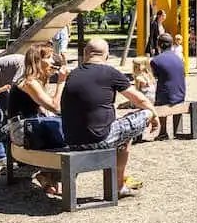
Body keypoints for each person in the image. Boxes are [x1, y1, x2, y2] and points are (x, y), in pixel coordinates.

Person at [60, 39, 156, 197]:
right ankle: (118, 186)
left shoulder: (74, 74)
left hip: (72, 140)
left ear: (85, 54)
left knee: (123, 135)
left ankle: (118, 182)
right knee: (144, 114)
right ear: (107, 55)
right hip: (99, 139)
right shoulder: (110, 72)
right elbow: (141, 100)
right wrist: (155, 116)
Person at [9, 45, 68, 193]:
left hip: (28, 126)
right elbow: (55, 106)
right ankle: (48, 175)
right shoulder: (29, 82)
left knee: (66, 133)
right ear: (37, 61)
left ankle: (47, 175)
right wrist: (61, 81)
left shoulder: (35, 80)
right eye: (48, 57)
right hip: (22, 130)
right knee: (69, 140)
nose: (52, 60)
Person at [0, 51, 29, 166]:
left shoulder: (31, 65)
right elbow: (16, 86)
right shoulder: (24, 64)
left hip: (1, 82)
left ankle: (9, 150)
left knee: (9, 116)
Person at [150, 33, 187, 108]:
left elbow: (152, 78)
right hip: (180, 96)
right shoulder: (179, 59)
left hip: (165, 98)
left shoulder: (156, 60)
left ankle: (161, 120)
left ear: (159, 45)